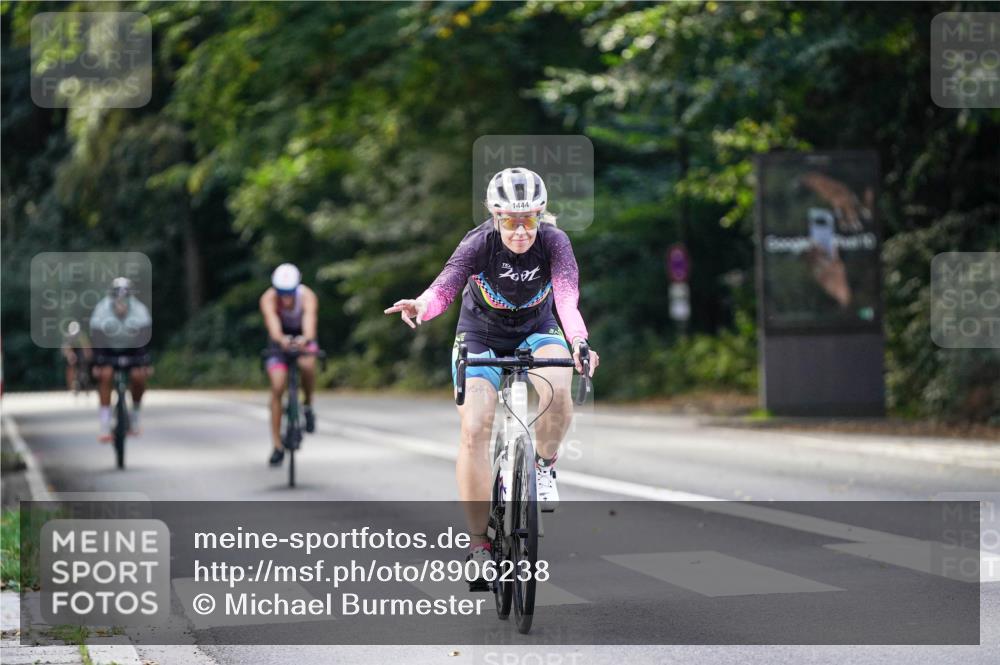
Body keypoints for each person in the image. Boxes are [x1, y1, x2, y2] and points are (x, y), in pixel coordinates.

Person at [384, 167, 599, 588]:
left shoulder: (555, 242)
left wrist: (578, 342)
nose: (520, 230)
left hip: (538, 329)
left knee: (559, 392)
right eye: (510, 220)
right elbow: (445, 287)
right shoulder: (478, 243)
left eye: (529, 219)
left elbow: (566, 298)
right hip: (480, 334)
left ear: (541, 214)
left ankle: (544, 465)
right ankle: (479, 544)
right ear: (495, 216)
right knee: (475, 428)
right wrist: (422, 306)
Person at [260, 263, 319, 467]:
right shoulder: (268, 298)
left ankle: (308, 405)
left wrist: (305, 339)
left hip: (303, 337)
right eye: (281, 293)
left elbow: (310, 323)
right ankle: (277, 445)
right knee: (277, 386)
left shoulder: (307, 296)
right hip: (279, 341)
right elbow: (272, 323)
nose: (285, 298)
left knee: (308, 366)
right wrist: (281, 340)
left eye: (289, 292)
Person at [89, 277, 152, 442]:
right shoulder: (101, 310)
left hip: (133, 350)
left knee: (138, 377)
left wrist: (145, 363)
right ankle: (104, 424)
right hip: (108, 351)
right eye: (117, 299)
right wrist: (97, 363)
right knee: (105, 375)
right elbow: (97, 339)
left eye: (125, 299)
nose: (121, 304)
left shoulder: (140, 311)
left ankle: (135, 416)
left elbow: (144, 341)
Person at [61, 320, 93, 393]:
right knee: (70, 366)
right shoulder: (68, 337)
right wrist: (70, 355)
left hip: (81, 352)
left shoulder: (82, 336)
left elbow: (86, 347)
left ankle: (84, 380)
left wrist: (87, 356)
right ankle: (71, 386)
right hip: (73, 352)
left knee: (83, 366)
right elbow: (66, 348)